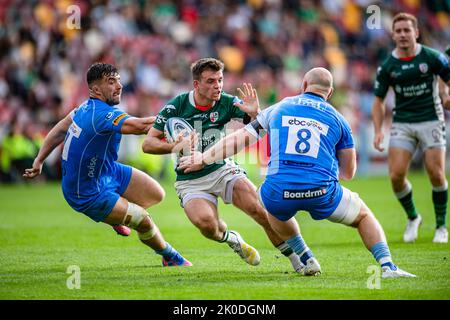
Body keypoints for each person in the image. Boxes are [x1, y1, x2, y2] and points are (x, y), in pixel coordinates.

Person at [179, 67, 416, 278]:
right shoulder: (339, 119)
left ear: (303, 86)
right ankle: (387, 266)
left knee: (266, 200)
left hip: (279, 193)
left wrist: (204, 157)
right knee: (363, 216)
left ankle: (305, 255)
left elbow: (239, 139)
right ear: (330, 93)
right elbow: (348, 172)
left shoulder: (280, 107)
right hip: (321, 191)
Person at [142, 57, 303, 272]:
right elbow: (148, 144)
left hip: (222, 169)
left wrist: (256, 113)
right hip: (190, 180)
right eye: (210, 81)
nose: (217, 86)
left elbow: (260, 129)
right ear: (196, 84)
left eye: (219, 80)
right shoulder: (177, 106)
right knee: (209, 227)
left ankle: (297, 261)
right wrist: (174, 146)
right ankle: (232, 239)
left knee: (260, 211)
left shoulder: (227, 101)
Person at [24, 62, 191, 267]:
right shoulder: (101, 115)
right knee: (142, 219)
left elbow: (59, 129)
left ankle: (116, 215)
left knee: (157, 194)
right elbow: (141, 126)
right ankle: (170, 256)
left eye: (119, 80)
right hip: (85, 191)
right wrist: (179, 118)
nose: (119, 86)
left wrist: (39, 159)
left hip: (107, 171)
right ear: (95, 90)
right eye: (111, 82)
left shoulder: (84, 108)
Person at [371, 13, 450, 243]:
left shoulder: (433, 57)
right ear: (393, 35)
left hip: (431, 119)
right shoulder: (388, 66)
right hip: (402, 122)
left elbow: (447, 79)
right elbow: (378, 101)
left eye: (407, 30)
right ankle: (413, 217)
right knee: (396, 176)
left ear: (416, 32)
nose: (403, 34)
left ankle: (441, 227)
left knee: (435, 173)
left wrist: (446, 95)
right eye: (399, 31)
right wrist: (378, 130)